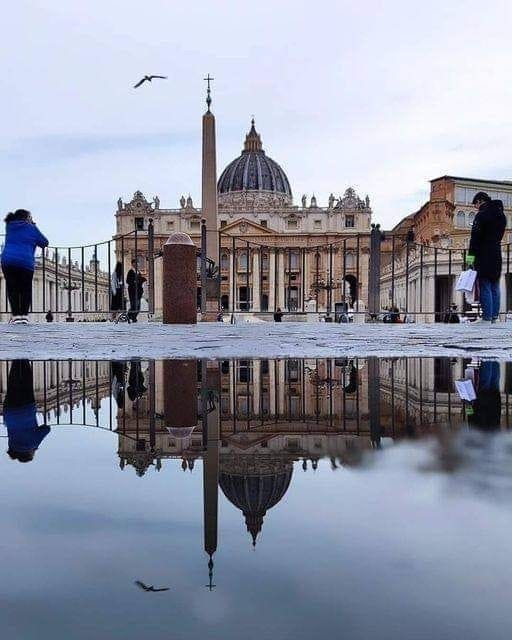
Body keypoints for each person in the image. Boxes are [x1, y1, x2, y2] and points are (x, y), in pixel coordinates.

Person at [1, 209, 48, 324]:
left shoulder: (10, 226)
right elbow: (44, 242)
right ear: (28, 218)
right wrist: (34, 226)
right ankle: (24, 316)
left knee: (12, 289)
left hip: (8, 261)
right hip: (25, 263)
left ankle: (16, 316)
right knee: (25, 289)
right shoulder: (32, 228)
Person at [467, 192, 506, 324]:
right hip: (496, 251)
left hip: (483, 253)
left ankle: (486, 317)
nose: (476, 207)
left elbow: (475, 239)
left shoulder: (481, 215)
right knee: (495, 284)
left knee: (484, 284)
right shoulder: (501, 215)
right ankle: (494, 317)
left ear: (480, 201)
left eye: (476, 205)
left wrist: (470, 259)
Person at [3, 360, 50, 462]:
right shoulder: (12, 445)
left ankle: (24, 361)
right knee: (13, 384)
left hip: (26, 409)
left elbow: (46, 429)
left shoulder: (32, 444)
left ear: (29, 454)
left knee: (26, 382)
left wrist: (35, 446)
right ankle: (16, 362)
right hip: (9, 412)